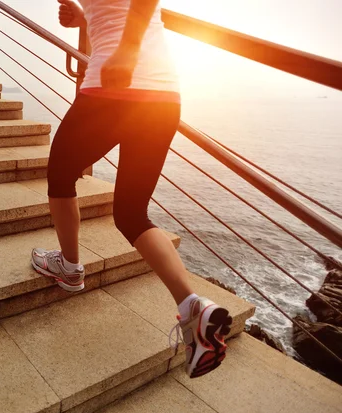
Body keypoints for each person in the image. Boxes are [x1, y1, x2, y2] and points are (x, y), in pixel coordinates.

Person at [31, 0, 232, 378]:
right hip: (162, 97)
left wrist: (125, 50)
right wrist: (84, 16)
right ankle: (194, 310)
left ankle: (71, 268)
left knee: (60, 176)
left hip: (113, 89)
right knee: (130, 212)